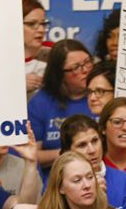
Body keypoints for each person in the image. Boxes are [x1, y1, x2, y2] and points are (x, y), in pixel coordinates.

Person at [60, 115, 126, 209]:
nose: (92, 150)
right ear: (68, 152)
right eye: (82, 145)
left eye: (95, 141)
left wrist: (102, 204)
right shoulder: (59, 181)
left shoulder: (123, 179)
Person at [28, 39, 95, 178]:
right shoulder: (41, 102)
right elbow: (32, 155)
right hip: (57, 180)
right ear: (60, 75)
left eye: (88, 61)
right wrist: (70, 153)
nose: (86, 70)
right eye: (76, 67)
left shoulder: (104, 93)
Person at [22, 0, 51, 96]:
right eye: (31, 24)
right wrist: (16, 86)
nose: (41, 30)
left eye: (43, 24)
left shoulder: (55, 52)